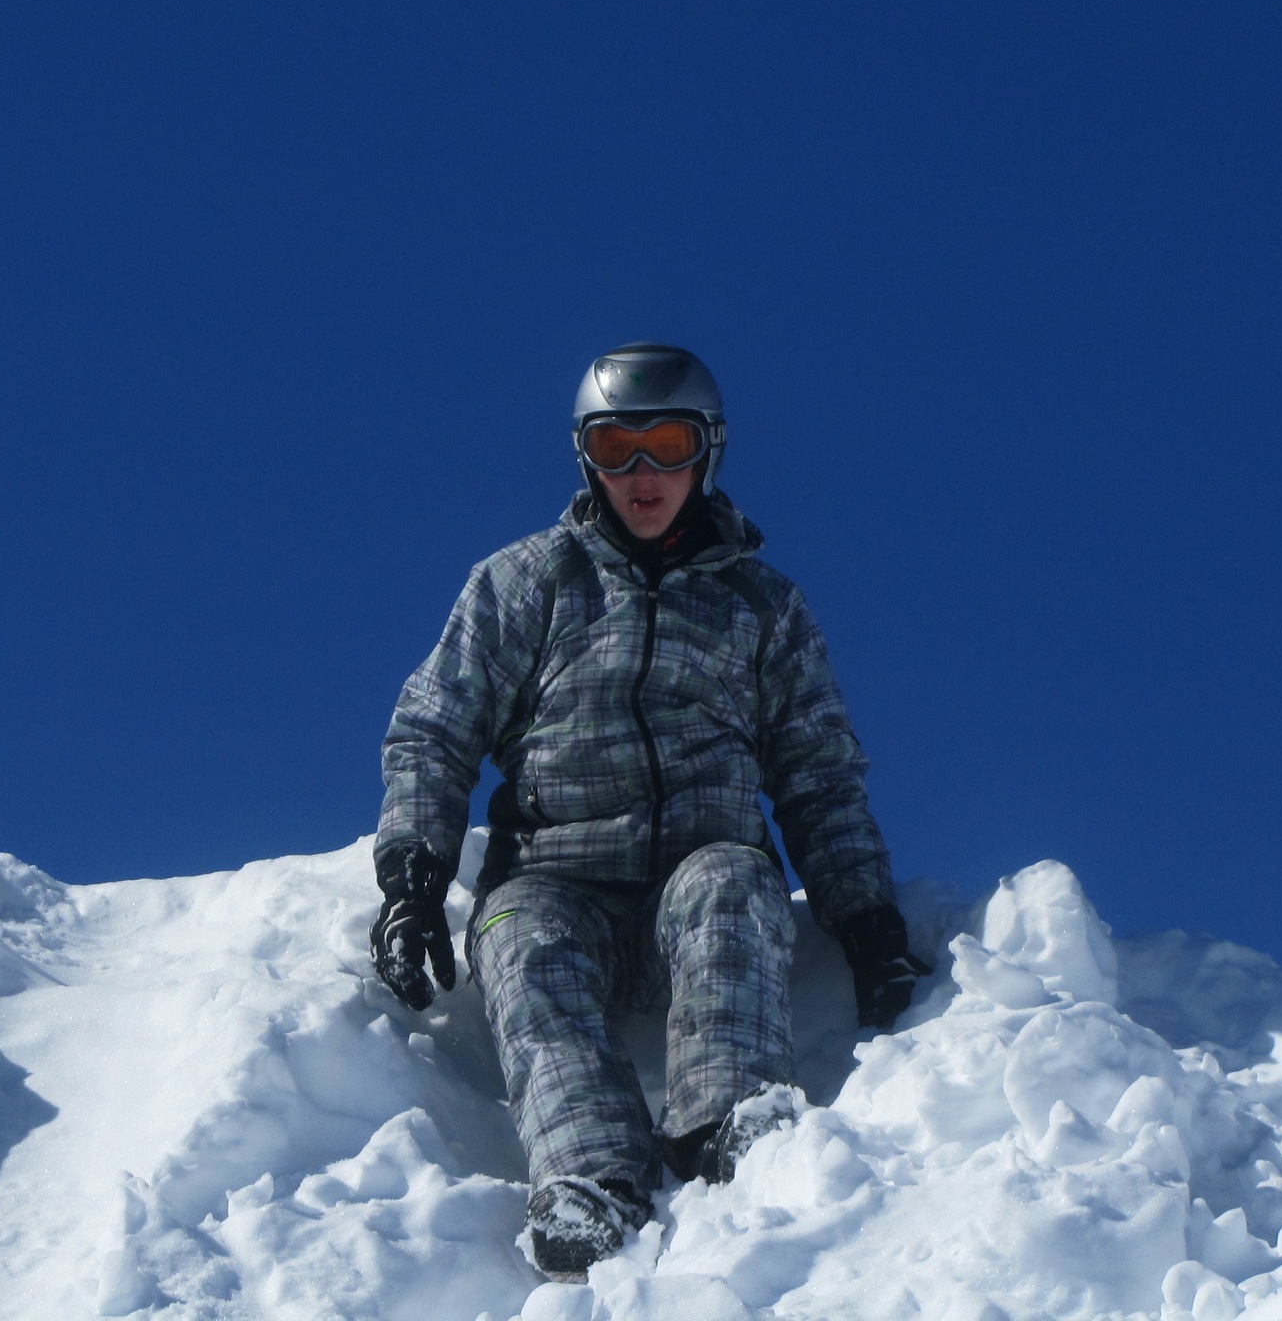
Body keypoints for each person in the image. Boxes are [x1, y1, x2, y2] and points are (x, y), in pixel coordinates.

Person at [370, 342, 928, 1275]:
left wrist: (866, 919)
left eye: (665, 445)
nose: (641, 474)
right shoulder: (525, 583)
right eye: (613, 447)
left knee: (732, 881)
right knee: (516, 935)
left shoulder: (761, 608)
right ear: (584, 456)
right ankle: (592, 1176)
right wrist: (414, 882)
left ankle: (729, 1123)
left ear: (707, 449)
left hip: (699, 876)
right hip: (557, 877)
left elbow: (818, 773)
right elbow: (434, 730)